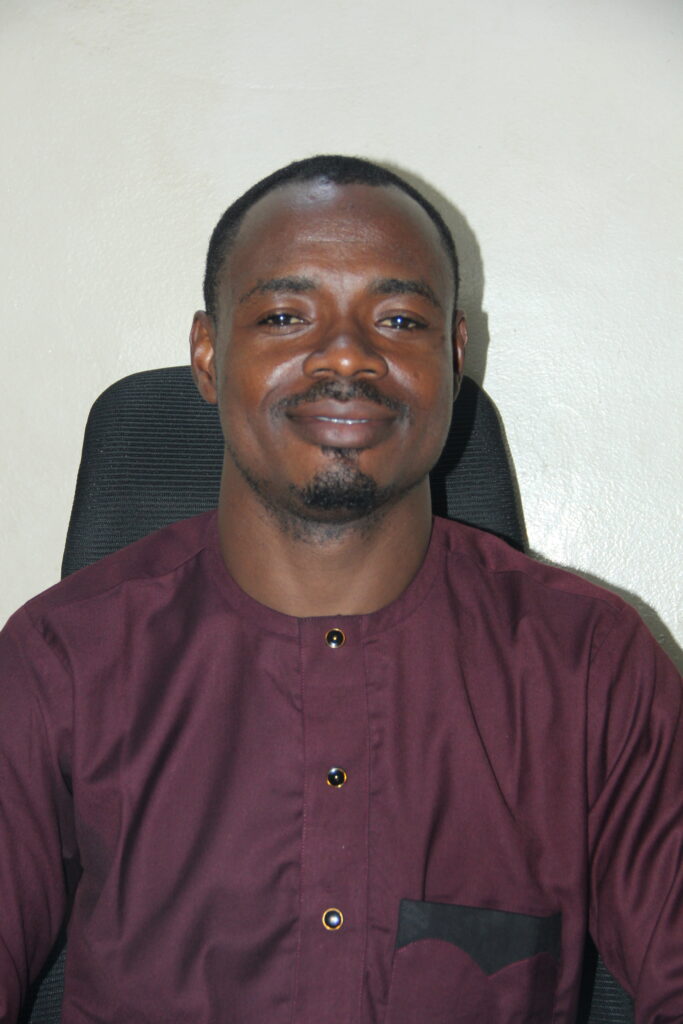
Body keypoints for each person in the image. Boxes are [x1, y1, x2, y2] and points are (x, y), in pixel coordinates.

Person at [1, 155, 681, 1024]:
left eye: (398, 319)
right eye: (285, 316)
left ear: (453, 357)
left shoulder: (587, 664)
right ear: (207, 354)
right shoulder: (59, 661)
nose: (349, 355)